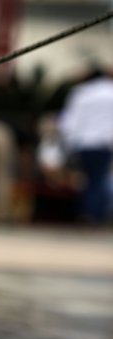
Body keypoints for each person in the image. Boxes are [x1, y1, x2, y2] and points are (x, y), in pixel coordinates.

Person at [58, 68, 113, 224]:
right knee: (97, 180)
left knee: (91, 180)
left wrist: (68, 144)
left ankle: (90, 213)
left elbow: (69, 121)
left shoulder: (80, 92)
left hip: (83, 144)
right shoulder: (111, 91)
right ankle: (93, 215)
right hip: (103, 143)